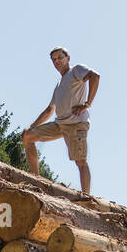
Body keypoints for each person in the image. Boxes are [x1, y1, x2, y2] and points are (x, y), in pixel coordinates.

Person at [22, 47, 99, 193]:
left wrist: (87, 104)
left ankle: (86, 198)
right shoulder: (59, 85)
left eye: (60, 58)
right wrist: (31, 127)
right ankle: (36, 180)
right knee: (28, 137)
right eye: (54, 60)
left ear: (68, 58)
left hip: (76, 123)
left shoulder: (76, 70)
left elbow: (95, 76)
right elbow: (49, 110)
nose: (57, 61)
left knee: (80, 161)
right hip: (60, 124)